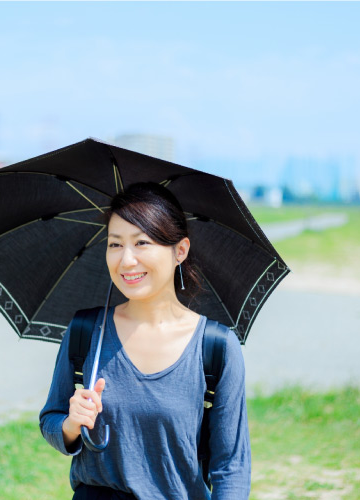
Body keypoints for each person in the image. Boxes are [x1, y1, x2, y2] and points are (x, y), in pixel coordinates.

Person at [39, 182, 251, 500]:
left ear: (180, 250)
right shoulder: (85, 330)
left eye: (142, 243)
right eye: (115, 244)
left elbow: (231, 468)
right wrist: (71, 424)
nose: (126, 261)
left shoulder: (216, 348)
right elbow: (51, 420)